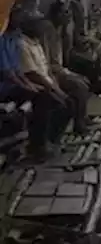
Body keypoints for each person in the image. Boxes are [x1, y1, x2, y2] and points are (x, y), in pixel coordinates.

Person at [0, 22, 66, 161]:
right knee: (42, 98)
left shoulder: (14, 40)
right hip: (5, 87)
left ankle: (42, 142)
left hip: (14, 84)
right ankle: (37, 146)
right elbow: (8, 73)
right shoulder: (4, 41)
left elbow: (17, 72)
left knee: (47, 97)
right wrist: (28, 87)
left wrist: (29, 85)